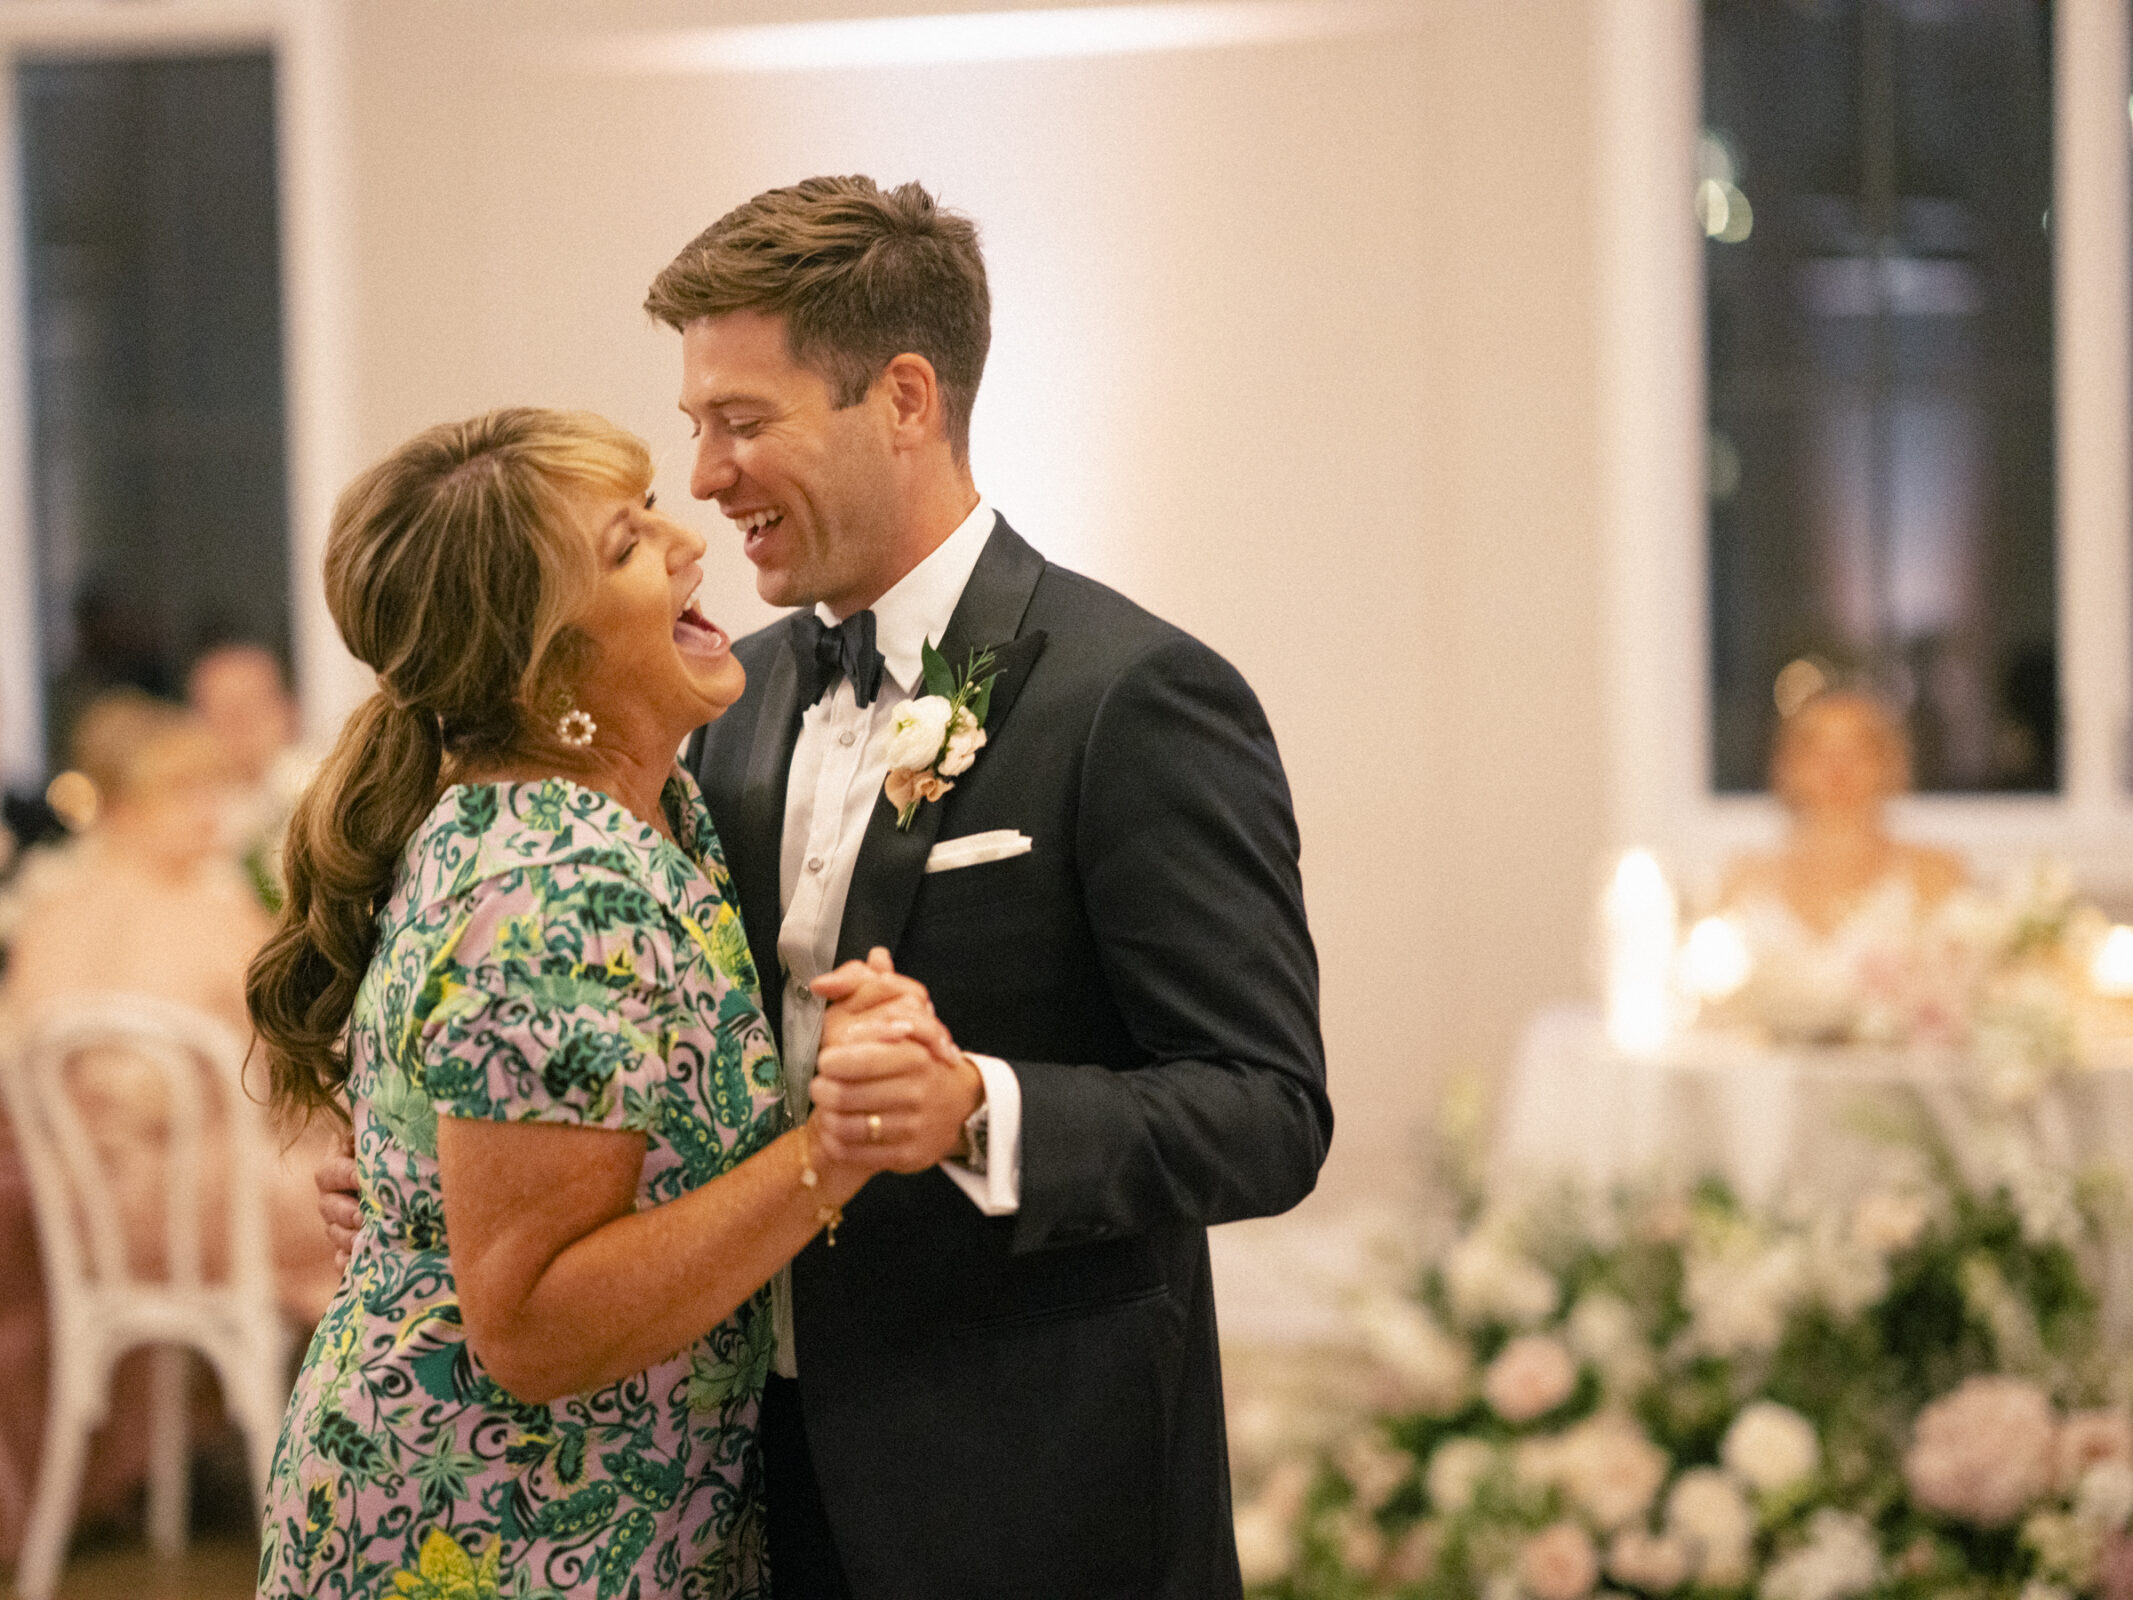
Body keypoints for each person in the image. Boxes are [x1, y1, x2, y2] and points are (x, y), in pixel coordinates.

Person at [655, 177, 1328, 1596]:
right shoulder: (734, 695)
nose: (706, 478)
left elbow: (1266, 1112)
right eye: (694, 429)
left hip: (1025, 1489)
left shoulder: (1131, 695)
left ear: (903, 396)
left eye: (741, 421)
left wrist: (978, 1110)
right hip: (743, 1481)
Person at [252, 409, 941, 1598]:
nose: (689, 541)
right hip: (490, 1534)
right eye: (628, 543)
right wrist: (830, 1153)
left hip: (595, 1507)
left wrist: (422, 1194)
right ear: (544, 657)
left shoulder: (647, 809)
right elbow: (528, 1329)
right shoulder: (553, 881)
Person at [0, 695, 339, 1559]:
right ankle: (365, 1470)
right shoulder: (151, 909)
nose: (207, 815)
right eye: (181, 798)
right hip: (161, 1204)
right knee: (370, 1200)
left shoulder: (99, 903)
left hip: (128, 1203)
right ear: (123, 810)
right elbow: (283, 1047)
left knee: (335, 1169)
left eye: (208, 794)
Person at [1718, 688, 1967, 1041]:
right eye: (1817, 751)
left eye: (1858, 750)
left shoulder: (1934, 874)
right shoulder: (1744, 879)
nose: (1837, 768)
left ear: (1889, 763)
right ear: (1788, 766)